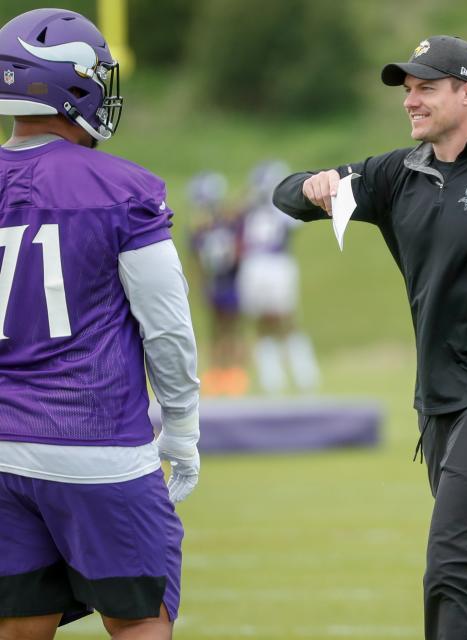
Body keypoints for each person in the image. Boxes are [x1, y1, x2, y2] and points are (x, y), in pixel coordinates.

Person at [273, 35, 467, 640]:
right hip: (439, 404)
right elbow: (285, 196)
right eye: (406, 90)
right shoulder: (399, 174)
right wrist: (313, 184)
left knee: (451, 566)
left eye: (425, 88)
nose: (410, 101)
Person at [0, 8, 200, 640]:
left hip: (3, 447)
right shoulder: (123, 189)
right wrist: (183, 430)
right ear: (70, 87)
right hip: (97, 446)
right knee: (140, 621)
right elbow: (167, 329)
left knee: (19, 623)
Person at [238, 160, 320, 395]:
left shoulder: (281, 210)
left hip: (277, 264)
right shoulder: (250, 209)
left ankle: (304, 373)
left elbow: (294, 225)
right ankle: (271, 377)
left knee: (287, 318)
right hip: (255, 264)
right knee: (261, 321)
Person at [186, 171, 248, 396]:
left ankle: (235, 374)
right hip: (217, 281)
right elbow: (197, 258)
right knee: (219, 329)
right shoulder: (204, 226)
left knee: (231, 329)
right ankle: (220, 374)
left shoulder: (225, 222)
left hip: (228, 279)